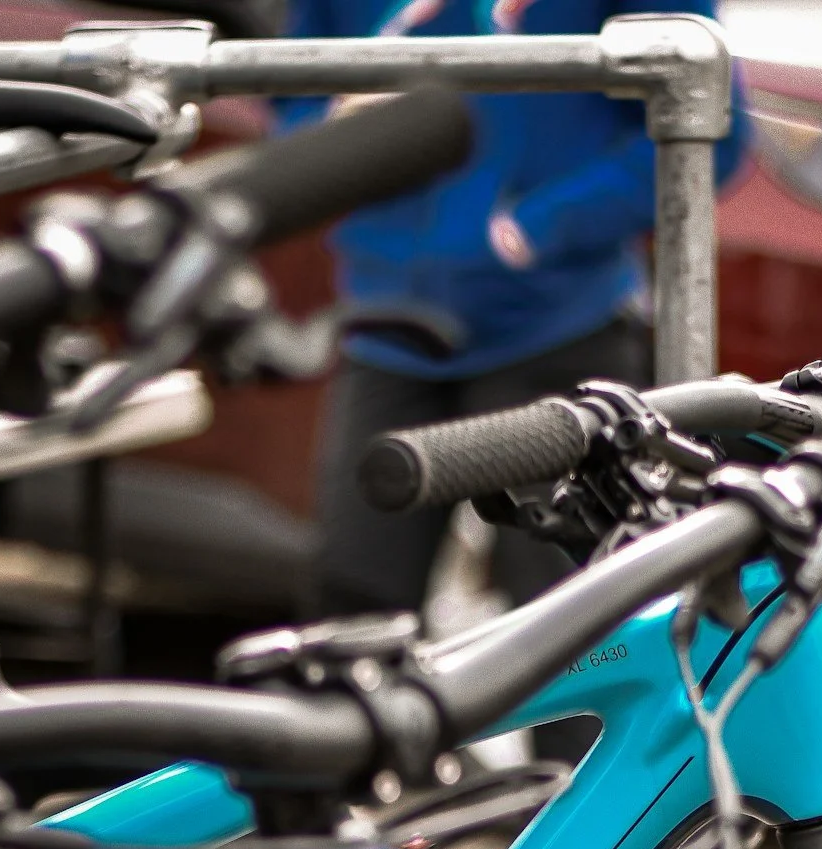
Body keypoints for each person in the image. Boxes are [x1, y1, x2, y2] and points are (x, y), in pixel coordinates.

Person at [277, 0, 746, 620]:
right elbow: (291, 99)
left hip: (556, 329)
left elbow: (716, 127)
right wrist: (340, 136)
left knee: (575, 622)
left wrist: (537, 229)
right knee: (350, 605)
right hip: (387, 325)